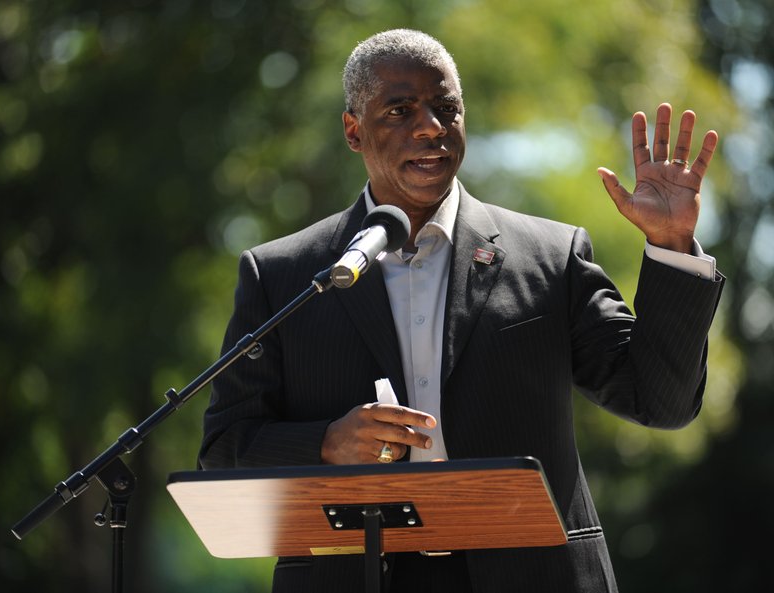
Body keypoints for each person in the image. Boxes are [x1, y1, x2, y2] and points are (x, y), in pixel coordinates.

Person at [199, 29, 724, 593]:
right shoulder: (282, 276)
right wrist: (326, 442)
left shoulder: (550, 256)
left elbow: (660, 401)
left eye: (445, 108)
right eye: (400, 110)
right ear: (354, 130)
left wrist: (671, 248)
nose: (430, 126)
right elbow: (226, 448)